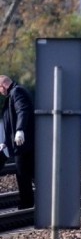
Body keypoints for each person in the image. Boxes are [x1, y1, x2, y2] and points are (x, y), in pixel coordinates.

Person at [0, 75, 36, 209]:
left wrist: (20, 129)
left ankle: (27, 204)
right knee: (28, 172)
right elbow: (10, 123)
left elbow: (23, 111)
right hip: (21, 143)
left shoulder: (17, 92)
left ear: (3, 86)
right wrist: (5, 142)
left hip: (24, 143)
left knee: (23, 172)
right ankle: (31, 202)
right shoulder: (12, 95)